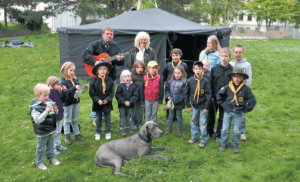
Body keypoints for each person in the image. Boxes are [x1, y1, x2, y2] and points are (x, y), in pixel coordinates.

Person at [81, 26, 124, 125]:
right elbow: (84, 55)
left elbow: (121, 63)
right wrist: (95, 62)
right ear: (103, 34)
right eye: (107, 34)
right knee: (97, 96)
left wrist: (119, 59)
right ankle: (95, 118)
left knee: (108, 96)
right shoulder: (95, 44)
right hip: (97, 78)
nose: (109, 36)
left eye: (111, 34)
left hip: (110, 77)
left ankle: (106, 116)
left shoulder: (116, 46)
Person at [216, 67, 256, 154]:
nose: (236, 79)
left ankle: (235, 144)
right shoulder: (227, 87)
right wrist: (225, 106)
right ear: (232, 77)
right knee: (225, 129)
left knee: (237, 130)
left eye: (239, 77)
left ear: (242, 77)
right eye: (235, 77)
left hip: (238, 113)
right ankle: (223, 144)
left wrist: (245, 109)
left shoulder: (246, 89)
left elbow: (252, 101)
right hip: (228, 111)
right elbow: (219, 97)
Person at [29, 83, 60, 170]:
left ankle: (51, 158)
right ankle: (39, 162)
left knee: (51, 145)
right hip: (42, 132)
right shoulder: (35, 108)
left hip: (51, 129)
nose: (47, 97)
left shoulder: (49, 102)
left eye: (48, 94)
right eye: (44, 95)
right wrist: (46, 111)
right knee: (41, 148)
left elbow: (53, 114)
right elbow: (38, 120)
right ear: (37, 95)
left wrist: (56, 110)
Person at [208, 48, 233, 141]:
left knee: (222, 117)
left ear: (229, 57)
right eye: (222, 56)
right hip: (214, 97)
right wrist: (210, 96)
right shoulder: (214, 68)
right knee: (211, 116)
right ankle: (209, 132)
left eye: (226, 56)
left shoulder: (232, 70)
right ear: (219, 56)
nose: (224, 58)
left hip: (226, 98)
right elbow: (211, 83)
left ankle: (219, 134)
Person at [61, 62, 88, 145]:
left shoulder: (74, 80)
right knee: (67, 120)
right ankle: (67, 136)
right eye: (70, 70)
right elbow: (66, 92)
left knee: (75, 119)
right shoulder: (63, 82)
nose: (72, 72)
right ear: (65, 70)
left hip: (76, 102)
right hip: (68, 103)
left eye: (73, 70)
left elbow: (78, 89)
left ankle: (77, 134)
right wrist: (74, 87)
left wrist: (83, 88)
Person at [229, 45, 252, 141]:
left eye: (239, 52)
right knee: (228, 111)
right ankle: (225, 129)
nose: (237, 54)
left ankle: (242, 132)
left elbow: (248, 80)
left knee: (241, 112)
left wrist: (245, 92)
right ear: (233, 53)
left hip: (241, 92)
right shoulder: (230, 63)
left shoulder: (247, 65)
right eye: (236, 52)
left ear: (243, 53)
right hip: (231, 92)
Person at [186, 62, 211, 149]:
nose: (198, 70)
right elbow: (187, 93)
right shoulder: (190, 81)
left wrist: (207, 107)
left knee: (203, 123)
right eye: (196, 69)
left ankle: (203, 140)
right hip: (194, 105)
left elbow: (208, 94)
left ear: (202, 70)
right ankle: (194, 137)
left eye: (200, 69)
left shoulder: (206, 80)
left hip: (203, 105)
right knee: (193, 121)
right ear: (193, 70)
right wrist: (188, 105)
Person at [89, 61, 115, 140]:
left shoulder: (110, 80)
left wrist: (107, 99)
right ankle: (98, 132)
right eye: (101, 69)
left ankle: (107, 131)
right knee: (98, 118)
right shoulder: (94, 81)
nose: (102, 71)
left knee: (107, 118)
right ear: (97, 71)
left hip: (107, 102)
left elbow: (111, 92)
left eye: (104, 69)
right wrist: (97, 100)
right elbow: (92, 93)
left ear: (107, 71)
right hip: (98, 103)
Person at [163, 48, 190, 120]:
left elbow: (188, 75)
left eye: (177, 55)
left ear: (180, 56)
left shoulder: (184, 65)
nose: (175, 57)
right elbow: (165, 74)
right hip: (170, 86)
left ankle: (175, 117)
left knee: (177, 100)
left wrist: (185, 82)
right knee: (168, 100)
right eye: (173, 55)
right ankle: (168, 116)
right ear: (171, 56)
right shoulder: (168, 64)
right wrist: (165, 80)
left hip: (179, 86)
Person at [45, 76, 68, 155]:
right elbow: (54, 100)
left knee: (58, 131)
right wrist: (52, 91)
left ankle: (57, 145)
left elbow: (63, 100)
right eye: (58, 84)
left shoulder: (57, 92)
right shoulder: (50, 93)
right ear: (51, 85)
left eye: (60, 84)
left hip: (59, 115)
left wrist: (64, 92)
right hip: (53, 117)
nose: (60, 86)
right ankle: (52, 148)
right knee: (54, 133)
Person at [164, 65, 187, 136]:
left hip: (178, 103)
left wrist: (173, 99)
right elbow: (167, 89)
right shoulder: (170, 80)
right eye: (175, 73)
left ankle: (179, 129)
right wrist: (168, 95)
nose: (177, 75)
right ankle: (168, 128)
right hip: (171, 102)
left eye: (179, 73)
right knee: (170, 115)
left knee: (178, 116)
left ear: (182, 74)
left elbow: (183, 94)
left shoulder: (184, 82)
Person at [116, 70, 139, 137]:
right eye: (125, 77)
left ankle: (128, 127)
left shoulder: (133, 86)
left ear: (131, 77)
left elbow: (135, 95)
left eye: (128, 76)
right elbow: (118, 95)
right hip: (122, 105)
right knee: (122, 117)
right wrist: (124, 102)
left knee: (129, 117)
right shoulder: (120, 86)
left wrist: (130, 101)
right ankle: (122, 128)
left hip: (130, 105)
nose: (127, 78)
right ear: (122, 78)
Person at [131, 61, 146, 130]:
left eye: (141, 67)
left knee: (140, 112)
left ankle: (139, 123)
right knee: (134, 112)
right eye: (138, 67)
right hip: (134, 96)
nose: (139, 69)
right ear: (134, 68)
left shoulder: (145, 75)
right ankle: (134, 123)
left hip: (141, 96)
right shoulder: (131, 75)